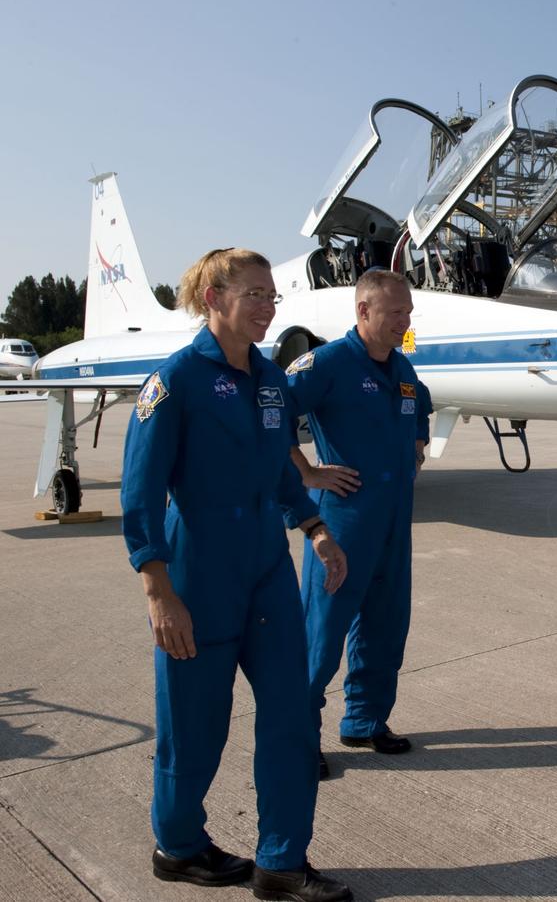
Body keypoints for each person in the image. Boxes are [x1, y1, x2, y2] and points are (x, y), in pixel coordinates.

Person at [121, 248, 353, 901]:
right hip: (197, 576)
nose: (268, 307)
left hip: (266, 573)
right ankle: (179, 844)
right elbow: (139, 497)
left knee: (289, 712)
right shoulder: (175, 382)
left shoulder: (273, 381)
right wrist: (158, 590)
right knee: (195, 724)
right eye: (255, 294)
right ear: (214, 296)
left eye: (271, 296)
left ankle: (282, 862)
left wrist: (315, 529)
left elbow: (281, 471)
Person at [286, 271, 431, 777]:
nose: (405, 322)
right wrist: (307, 471)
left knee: (386, 625)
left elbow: (421, 411)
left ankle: (365, 720)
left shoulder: (404, 368)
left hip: (394, 524)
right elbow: (273, 412)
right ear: (364, 312)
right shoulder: (326, 365)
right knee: (321, 633)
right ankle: (296, 738)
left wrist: (416, 450)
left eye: (408, 313)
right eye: (396, 313)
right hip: (344, 522)